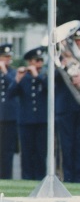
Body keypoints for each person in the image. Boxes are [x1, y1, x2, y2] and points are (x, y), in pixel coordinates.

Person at [55, 28, 80, 183]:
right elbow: (47, 81)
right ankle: (66, 178)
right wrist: (60, 66)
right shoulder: (57, 60)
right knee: (66, 145)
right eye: (74, 42)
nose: (78, 44)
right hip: (65, 108)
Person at [8, 47, 48, 180]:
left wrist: (37, 75)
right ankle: (27, 178)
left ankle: (40, 177)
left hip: (41, 121)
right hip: (26, 121)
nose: (39, 63)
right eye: (37, 61)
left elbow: (49, 89)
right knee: (26, 153)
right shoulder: (23, 78)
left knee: (40, 152)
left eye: (41, 60)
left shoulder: (44, 77)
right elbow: (10, 94)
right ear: (30, 62)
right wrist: (17, 79)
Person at [0, 44, 19, 179]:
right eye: (5, 57)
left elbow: (13, 88)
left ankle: (7, 176)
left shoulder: (12, 72)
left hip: (8, 116)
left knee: (7, 150)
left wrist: (4, 72)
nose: (7, 60)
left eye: (9, 57)